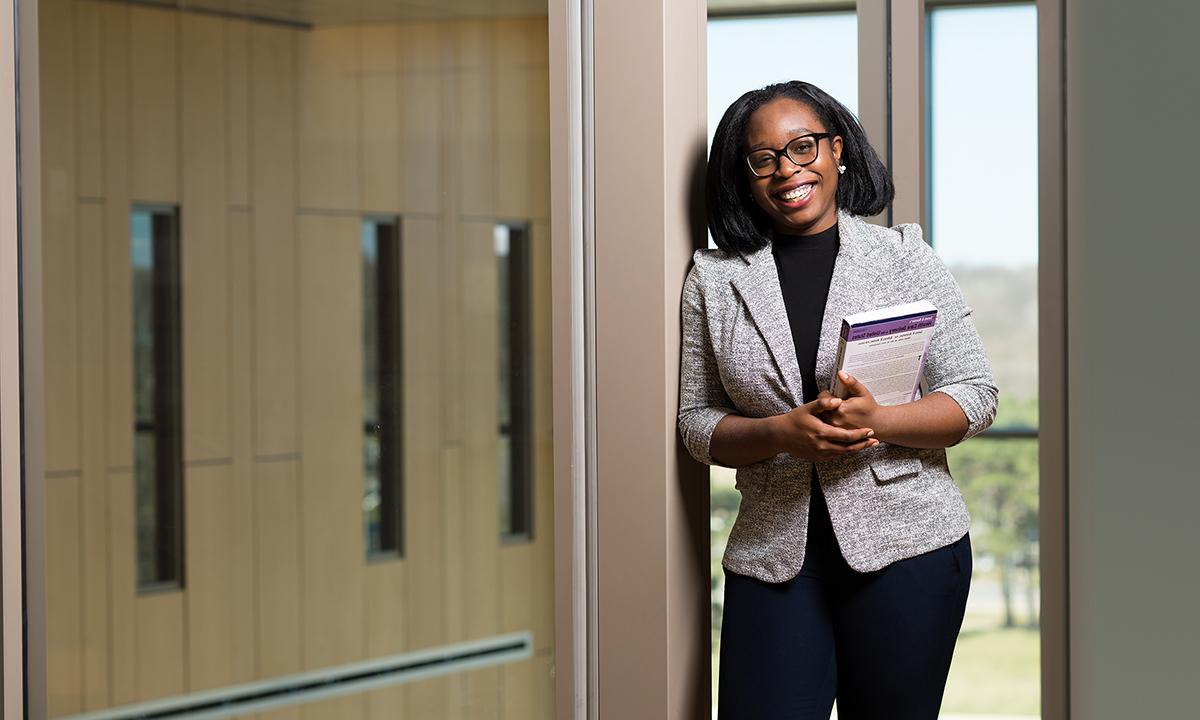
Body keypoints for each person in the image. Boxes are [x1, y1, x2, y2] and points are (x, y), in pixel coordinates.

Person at [678, 80, 998, 719]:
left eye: (803, 148)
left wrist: (880, 419)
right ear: (744, 177)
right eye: (763, 159)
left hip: (911, 549)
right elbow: (696, 421)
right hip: (774, 554)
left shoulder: (904, 256)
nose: (787, 171)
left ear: (838, 150)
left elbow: (975, 394)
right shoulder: (713, 281)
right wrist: (779, 433)